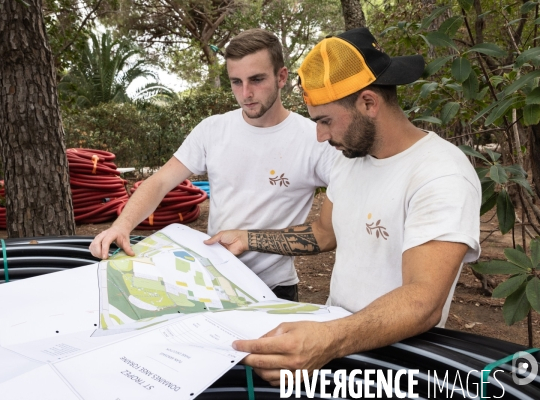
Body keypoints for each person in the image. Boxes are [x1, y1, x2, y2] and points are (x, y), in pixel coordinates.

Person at [205, 27, 481, 385]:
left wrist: (330, 338)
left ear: (368, 103)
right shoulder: (351, 161)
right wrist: (247, 238)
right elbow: (324, 232)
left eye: (325, 121)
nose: (320, 136)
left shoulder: (439, 174)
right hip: (339, 348)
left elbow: (422, 301)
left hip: (397, 362)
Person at [89, 29, 338, 301]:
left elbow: (333, 228)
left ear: (281, 77)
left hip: (274, 289)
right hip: (212, 282)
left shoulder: (315, 139)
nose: (246, 93)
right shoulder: (213, 130)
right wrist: (121, 226)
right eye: (236, 82)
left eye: (256, 79)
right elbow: (160, 182)